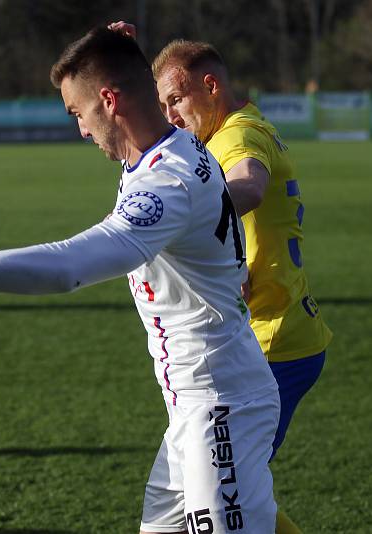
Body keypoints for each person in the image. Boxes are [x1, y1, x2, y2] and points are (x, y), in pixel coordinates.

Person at [0, 27, 280, 534]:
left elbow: (67, 267)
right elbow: (122, 83)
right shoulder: (158, 151)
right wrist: (107, 44)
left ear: (109, 101)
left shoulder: (166, 183)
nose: (81, 129)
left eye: (78, 113)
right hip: (192, 411)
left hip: (221, 406)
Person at [109, 21, 333, 534]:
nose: (170, 115)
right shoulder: (232, 126)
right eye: (162, 103)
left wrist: (181, 216)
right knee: (222, 487)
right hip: (270, 333)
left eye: (176, 100)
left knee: (218, 492)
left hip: (270, 342)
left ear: (210, 86)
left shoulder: (237, 134)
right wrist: (126, 60)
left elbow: (248, 187)